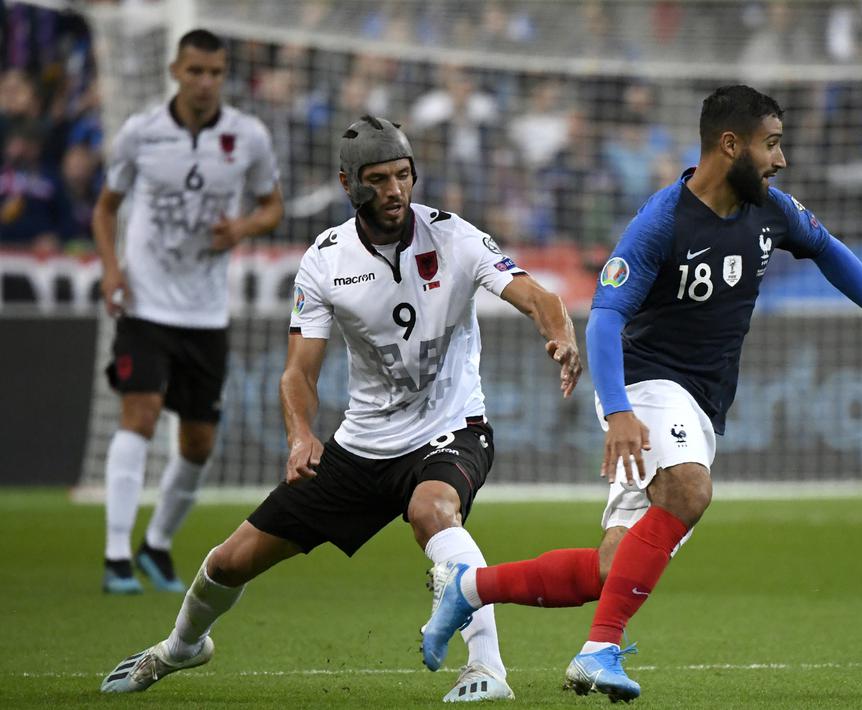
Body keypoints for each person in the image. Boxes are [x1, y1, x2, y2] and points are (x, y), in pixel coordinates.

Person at [419, 84, 862, 702]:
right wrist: (617, 411)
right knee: (690, 488)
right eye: (771, 145)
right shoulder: (661, 222)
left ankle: (471, 589)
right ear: (730, 145)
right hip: (644, 383)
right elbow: (606, 318)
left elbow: (829, 251)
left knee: (614, 566)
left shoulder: (771, 209)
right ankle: (599, 651)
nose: (781, 160)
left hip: (700, 400)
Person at [98, 114, 582, 703]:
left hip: (450, 430)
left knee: (433, 510)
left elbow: (537, 295)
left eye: (403, 175)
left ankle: (487, 668)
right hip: (361, 447)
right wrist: (302, 434)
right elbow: (299, 372)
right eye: (377, 179)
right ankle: (180, 647)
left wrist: (557, 333)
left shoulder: (455, 237)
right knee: (228, 563)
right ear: (348, 184)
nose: (395, 191)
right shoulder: (324, 260)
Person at [93, 29, 284, 595]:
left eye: (215, 73)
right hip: (146, 304)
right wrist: (110, 269)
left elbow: (272, 205)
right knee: (141, 415)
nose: (204, 82)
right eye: (195, 71)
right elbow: (107, 210)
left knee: (198, 443)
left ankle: (155, 547)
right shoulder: (141, 134)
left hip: (206, 312)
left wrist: (244, 226)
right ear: (176, 70)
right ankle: (115, 559)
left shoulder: (247, 137)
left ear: (224, 75)